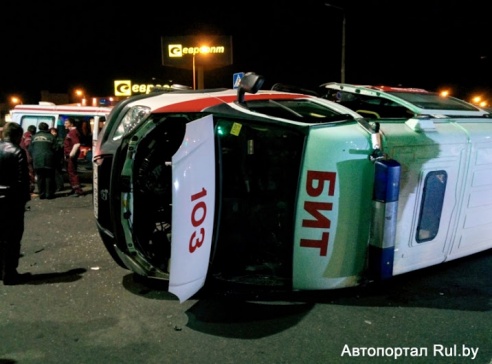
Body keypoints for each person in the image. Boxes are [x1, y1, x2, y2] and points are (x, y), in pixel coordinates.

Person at [0, 122, 32, 285]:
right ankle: (10, 273)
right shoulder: (17, 151)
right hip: (11, 201)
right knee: (12, 238)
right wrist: (25, 199)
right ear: (18, 136)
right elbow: (22, 180)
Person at [29, 122, 57, 199]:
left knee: (40, 177)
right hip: (49, 159)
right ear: (47, 128)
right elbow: (56, 148)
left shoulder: (34, 137)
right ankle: (48, 194)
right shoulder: (51, 137)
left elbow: (30, 149)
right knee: (48, 177)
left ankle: (41, 194)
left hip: (37, 159)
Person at [63, 118, 84, 197]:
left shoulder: (72, 133)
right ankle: (74, 188)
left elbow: (77, 144)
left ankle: (78, 191)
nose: (65, 124)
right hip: (69, 156)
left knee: (72, 173)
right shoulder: (72, 132)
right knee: (70, 172)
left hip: (71, 156)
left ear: (71, 124)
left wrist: (71, 154)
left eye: (66, 123)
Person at [20, 124, 36, 193]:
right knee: (30, 172)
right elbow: (28, 144)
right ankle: (30, 189)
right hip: (28, 156)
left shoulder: (24, 135)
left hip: (23, 155)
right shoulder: (29, 136)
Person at [50, 127, 65, 191]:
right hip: (52, 158)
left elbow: (60, 147)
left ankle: (60, 186)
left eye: (54, 132)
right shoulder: (50, 139)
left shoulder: (60, 139)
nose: (53, 133)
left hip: (58, 158)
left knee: (58, 172)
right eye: (52, 132)